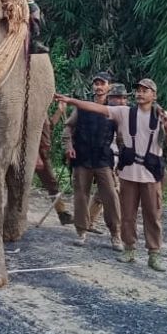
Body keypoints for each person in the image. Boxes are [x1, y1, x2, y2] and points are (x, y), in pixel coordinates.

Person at [59, 78, 167, 270]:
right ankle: (109, 241)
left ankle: (147, 250)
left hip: (130, 167)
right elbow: (80, 118)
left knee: (144, 212)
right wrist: (70, 102)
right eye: (138, 90)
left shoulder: (153, 114)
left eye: (145, 90)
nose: (140, 93)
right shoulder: (119, 112)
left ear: (154, 95)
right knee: (118, 210)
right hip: (96, 162)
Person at [61, 72, 123, 251]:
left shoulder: (114, 109)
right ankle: (81, 231)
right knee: (81, 195)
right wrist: (68, 147)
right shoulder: (82, 106)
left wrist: (123, 159)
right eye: (96, 83)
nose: (98, 86)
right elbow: (68, 127)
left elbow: (120, 137)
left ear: (109, 86)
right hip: (82, 157)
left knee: (111, 195)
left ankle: (115, 235)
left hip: (103, 158)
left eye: (102, 83)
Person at [87, 83, 128, 233]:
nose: (122, 101)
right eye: (118, 98)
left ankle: (89, 221)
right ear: (110, 98)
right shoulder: (102, 114)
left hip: (120, 159)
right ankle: (116, 230)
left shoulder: (126, 114)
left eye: (124, 98)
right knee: (113, 192)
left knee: (102, 193)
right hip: (105, 159)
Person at [37, 98, 72, 226]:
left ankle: (62, 214)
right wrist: (36, 157)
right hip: (36, 155)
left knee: (52, 184)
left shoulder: (42, 112)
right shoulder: (34, 112)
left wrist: (60, 110)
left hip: (44, 154)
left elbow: (49, 127)